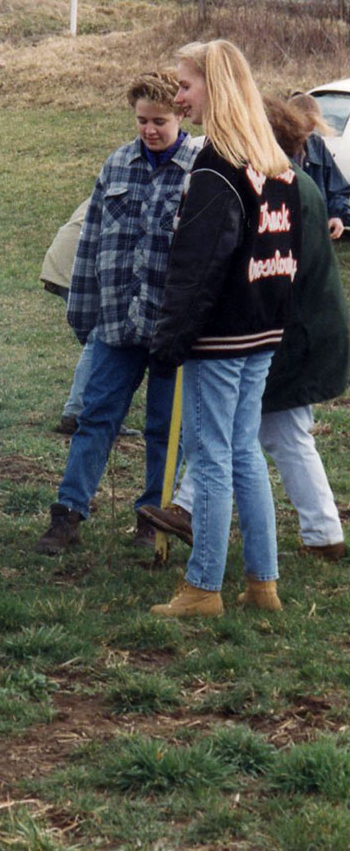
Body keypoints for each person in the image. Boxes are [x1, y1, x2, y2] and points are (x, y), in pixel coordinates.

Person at [140, 96, 348, 560]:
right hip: (289, 328)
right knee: (263, 429)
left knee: (259, 428)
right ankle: (322, 534)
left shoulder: (289, 187)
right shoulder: (283, 181)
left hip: (293, 331)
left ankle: (195, 510)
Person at [150, 40, 301, 618]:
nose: (178, 96)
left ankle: (202, 587)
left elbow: (195, 267)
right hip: (263, 331)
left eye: (185, 85)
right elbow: (295, 257)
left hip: (221, 336)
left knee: (211, 456)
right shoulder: (275, 165)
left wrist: (170, 340)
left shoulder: (215, 167)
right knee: (242, 453)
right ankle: (263, 585)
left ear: (214, 85)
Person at [35, 71, 199, 555]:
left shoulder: (202, 167)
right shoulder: (116, 164)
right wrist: (83, 315)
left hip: (172, 329)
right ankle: (67, 513)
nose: (150, 130)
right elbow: (89, 245)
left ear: (182, 115)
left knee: (165, 430)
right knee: (95, 417)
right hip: (115, 323)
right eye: (142, 121)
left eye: (160, 122)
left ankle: (152, 519)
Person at [41, 199, 140, 438]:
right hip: (80, 260)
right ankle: (81, 412)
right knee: (102, 336)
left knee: (102, 336)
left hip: (73, 255)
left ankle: (88, 410)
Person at [288, 92, 350, 238]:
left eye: (310, 129)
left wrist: (337, 215)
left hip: (315, 236)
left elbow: (338, 189)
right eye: (301, 128)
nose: (305, 135)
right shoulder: (275, 148)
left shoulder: (317, 145)